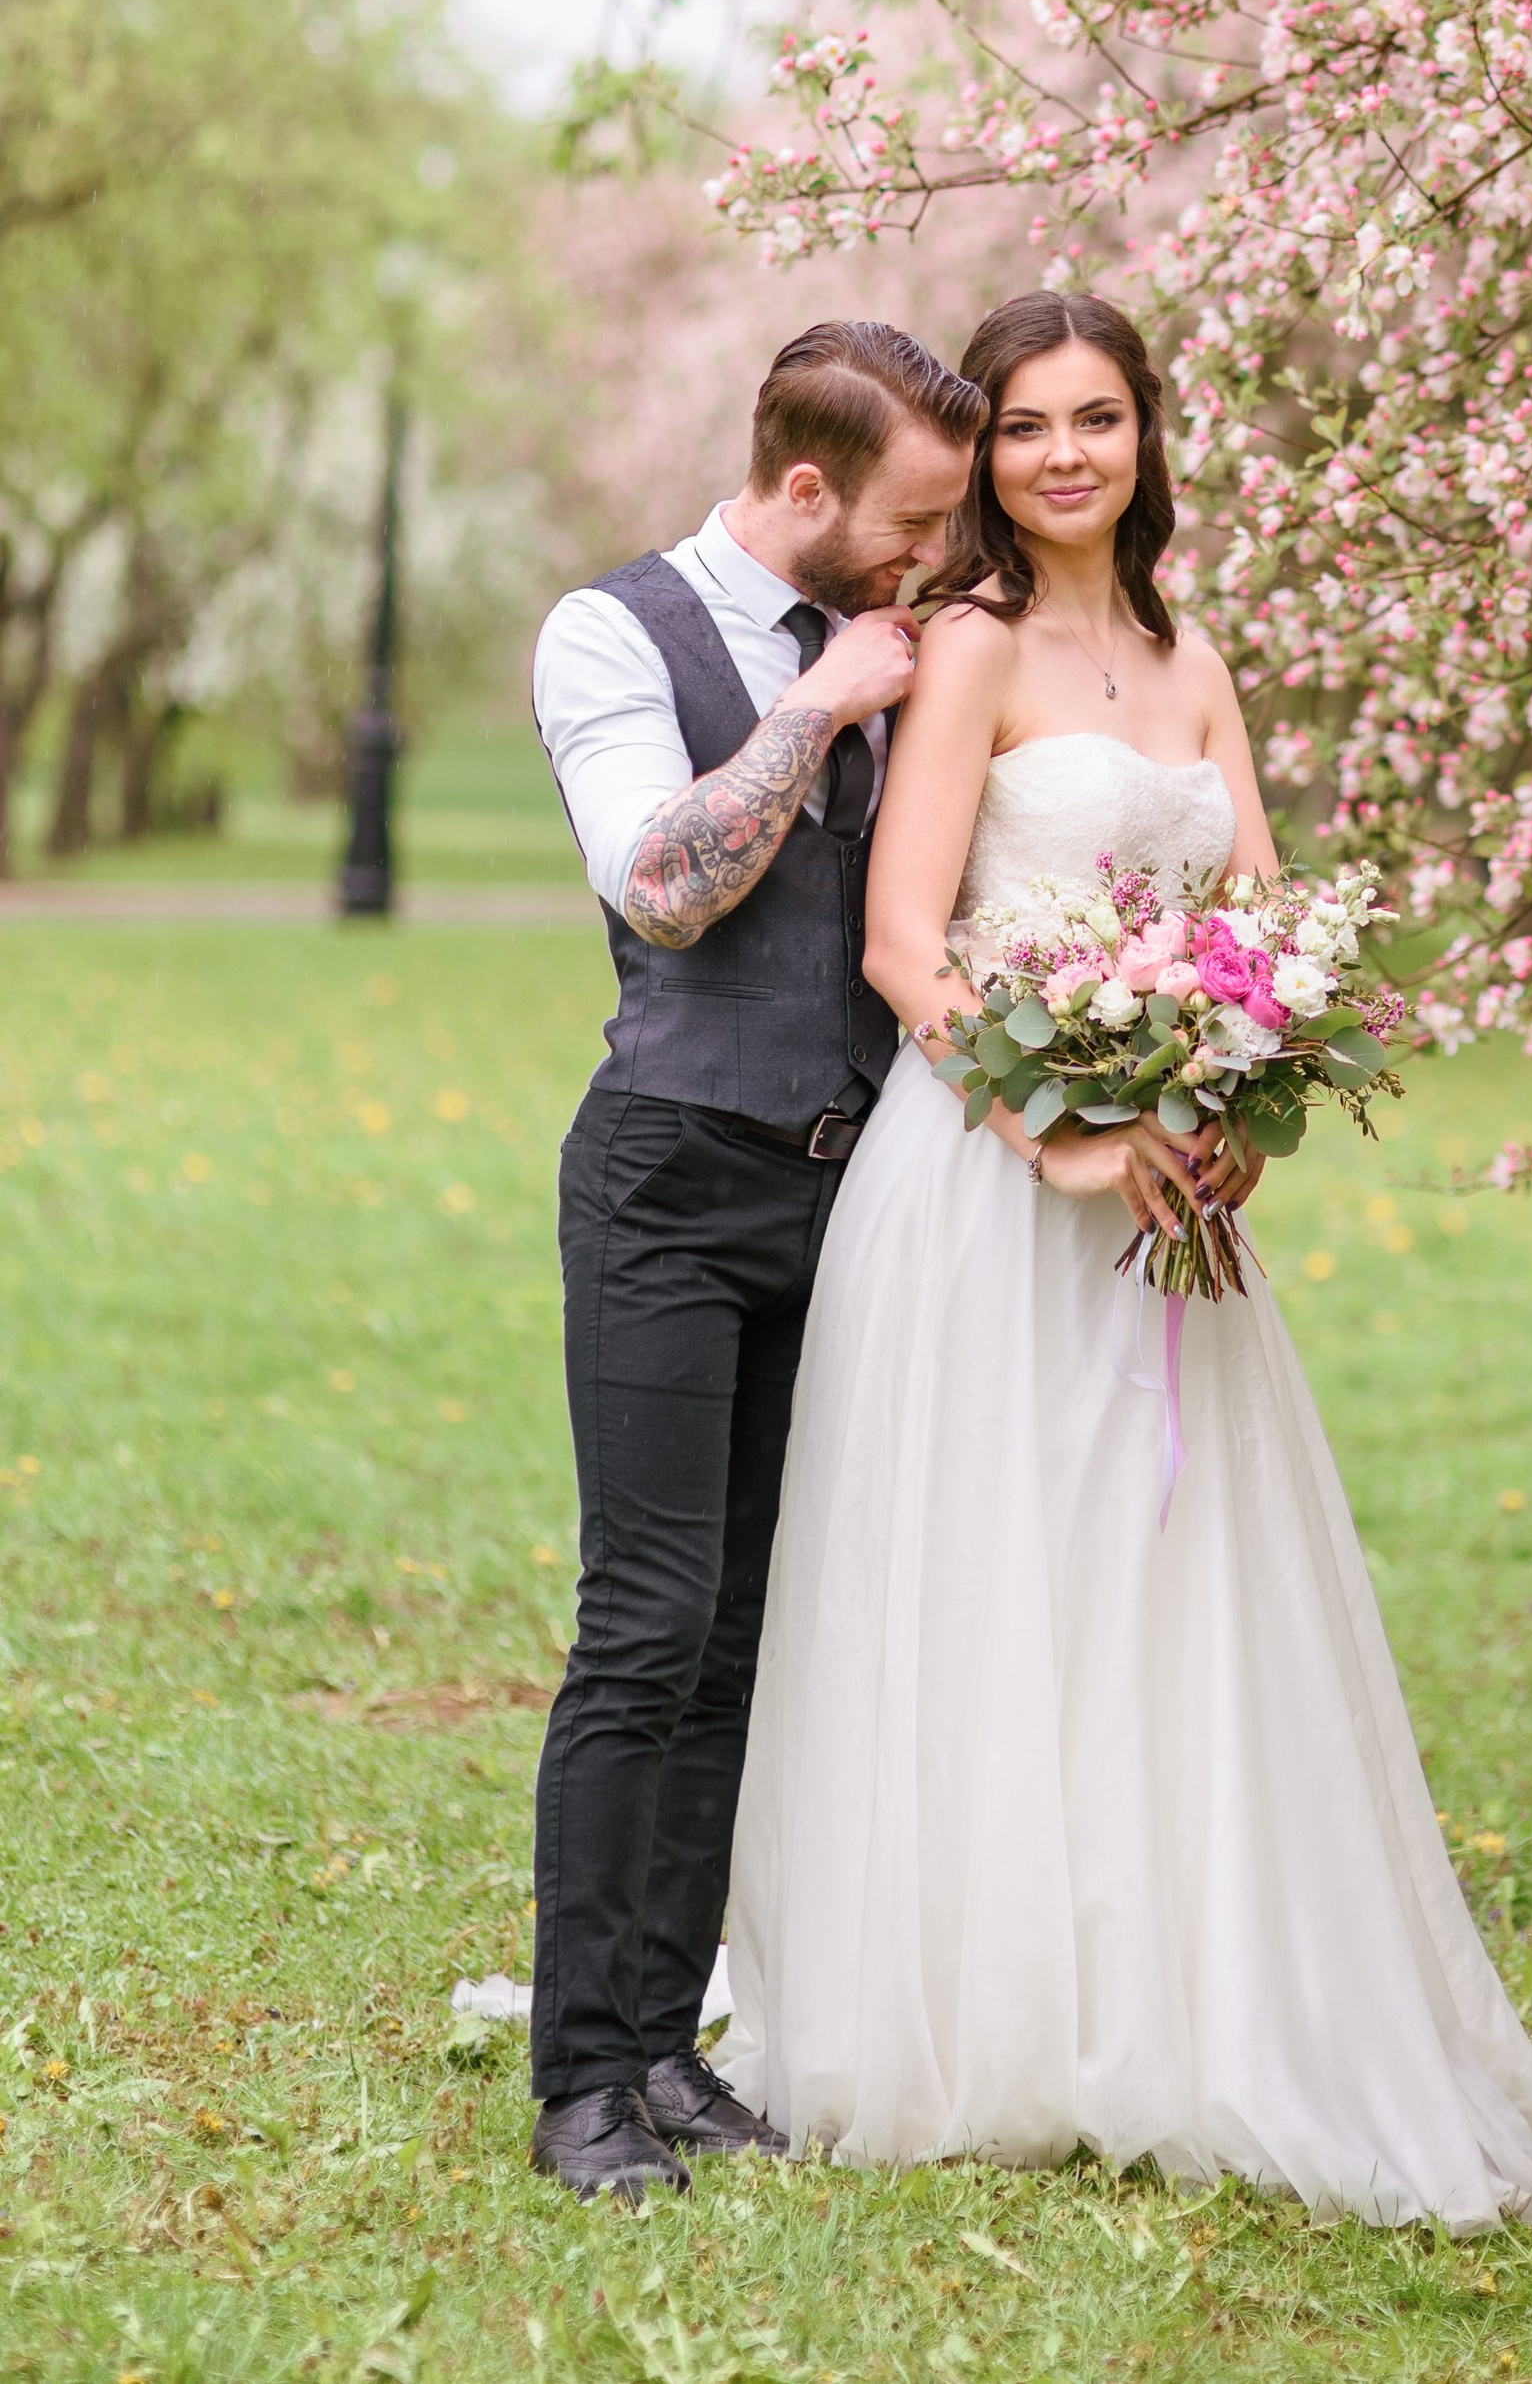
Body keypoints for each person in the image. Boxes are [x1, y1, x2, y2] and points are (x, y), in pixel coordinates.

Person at [719, 291, 1532, 2229]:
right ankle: (995, 2003)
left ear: (1143, 437)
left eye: (1093, 417)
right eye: (1024, 424)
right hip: (987, 1188)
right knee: (997, 1573)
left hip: (1171, 1197)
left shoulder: (1191, 654)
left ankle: (1186, 1980)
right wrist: (1066, 1131)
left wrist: (1231, 1099)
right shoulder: (964, 648)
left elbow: (1249, 924)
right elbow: (902, 944)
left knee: (1158, 1573)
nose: (1057, 455)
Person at [524, 318, 984, 2202]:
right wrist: (813, 707)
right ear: (808, 490)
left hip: (844, 1195)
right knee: (642, 1628)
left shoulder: (912, 632)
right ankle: (576, 2083)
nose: (931, 556)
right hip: (669, 1183)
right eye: (911, 517)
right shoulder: (612, 631)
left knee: (738, 1642)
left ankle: (665, 2045)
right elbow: (660, 881)